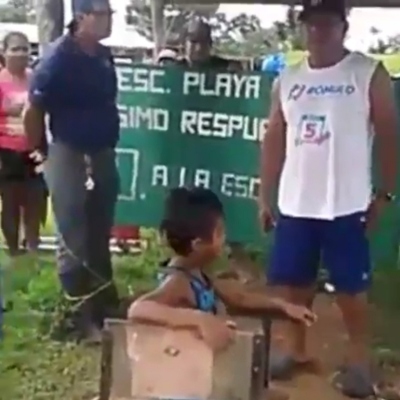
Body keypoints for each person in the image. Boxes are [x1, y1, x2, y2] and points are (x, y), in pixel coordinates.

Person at [259, 0, 397, 397]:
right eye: (312, 23)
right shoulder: (287, 78)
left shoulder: (367, 72)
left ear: (343, 26)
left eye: (327, 23)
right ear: (303, 28)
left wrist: (384, 193)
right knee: (291, 284)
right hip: (296, 201)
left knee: (352, 288)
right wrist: (264, 197)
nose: (319, 30)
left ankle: (358, 361)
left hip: (347, 203)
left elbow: (388, 133)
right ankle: (295, 350)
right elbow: (274, 138)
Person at [23, 0, 120, 341]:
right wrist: (41, 150)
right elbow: (33, 110)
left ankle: (103, 299)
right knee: (73, 231)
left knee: (99, 228)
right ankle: (76, 316)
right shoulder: (57, 59)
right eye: (104, 15)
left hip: (102, 151)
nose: (110, 21)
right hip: (69, 150)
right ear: (81, 19)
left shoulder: (103, 56)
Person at [128, 187, 316, 351]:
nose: (224, 239)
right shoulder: (179, 282)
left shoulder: (198, 273)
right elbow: (138, 309)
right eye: (220, 233)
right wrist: (197, 319)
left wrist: (284, 307)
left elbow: (237, 299)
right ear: (198, 244)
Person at [0, 31, 46, 256]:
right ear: (4, 52)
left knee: (35, 199)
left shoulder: (35, 79)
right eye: (15, 49)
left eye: (24, 49)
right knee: (10, 202)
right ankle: (13, 249)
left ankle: (33, 245)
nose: (20, 54)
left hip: (33, 149)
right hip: (6, 151)